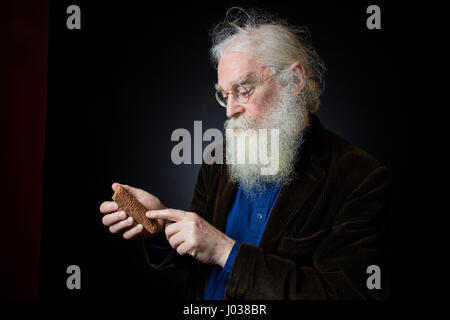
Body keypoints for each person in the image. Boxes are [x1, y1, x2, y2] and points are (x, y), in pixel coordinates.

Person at [99, 7, 391, 299]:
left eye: (244, 89)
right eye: (225, 94)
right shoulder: (219, 159)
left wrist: (226, 252)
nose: (230, 110)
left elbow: (346, 294)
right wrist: (162, 227)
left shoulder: (360, 179)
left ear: (295, 81)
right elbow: (197, 252)